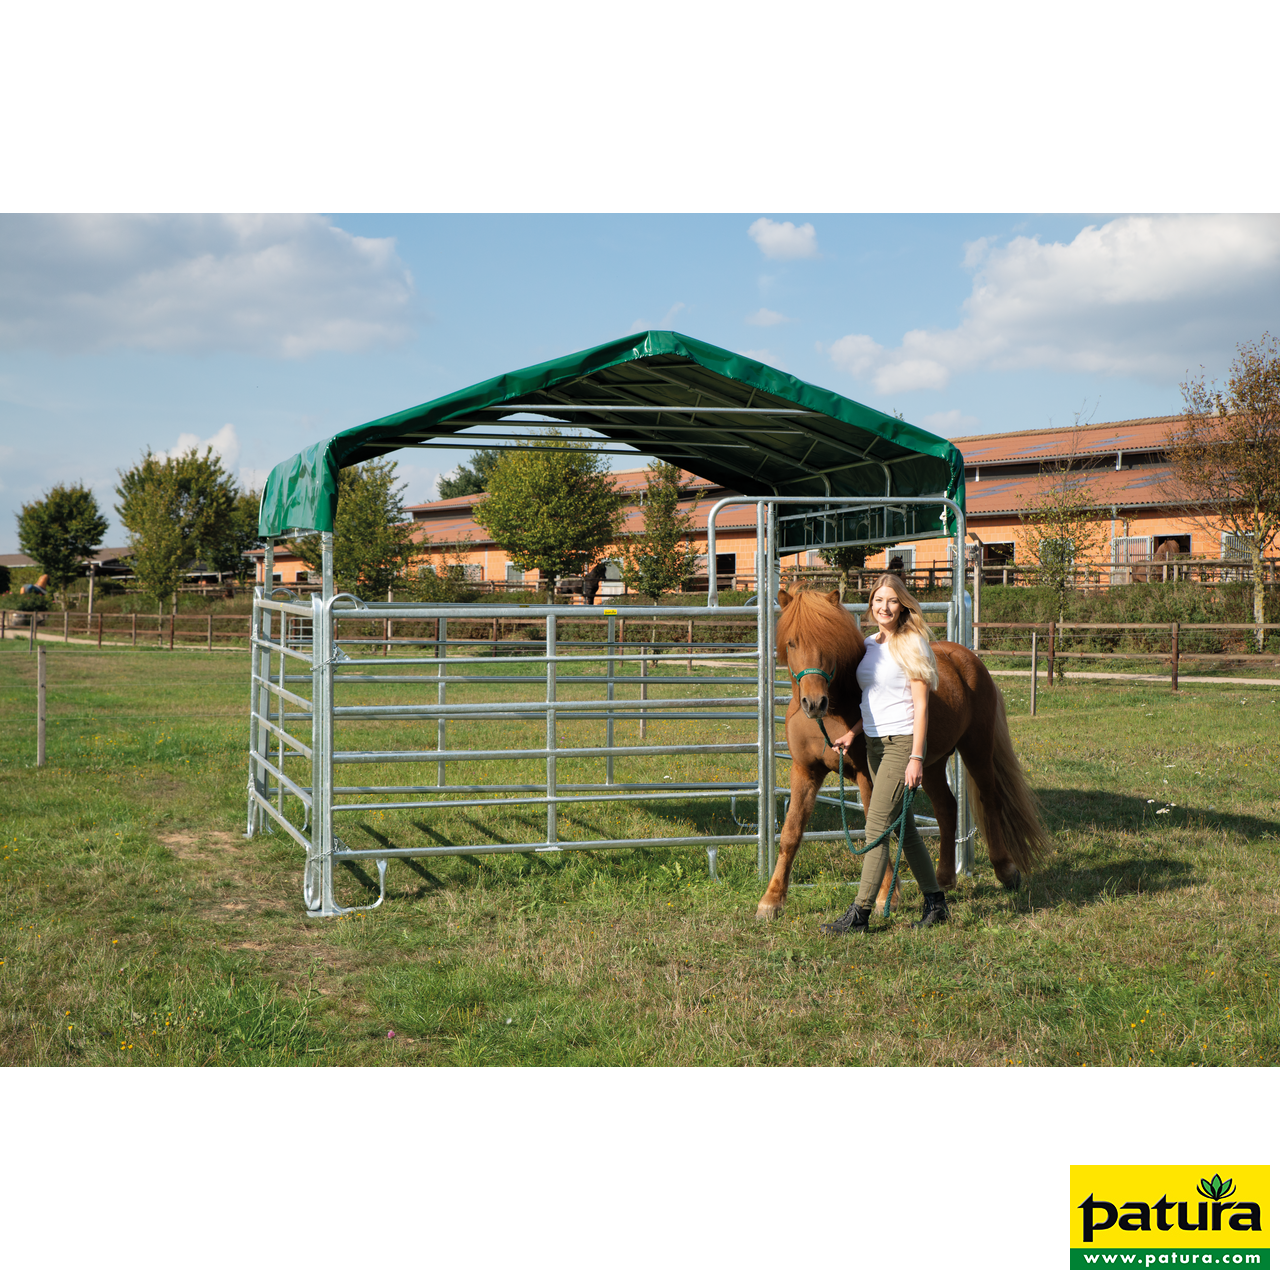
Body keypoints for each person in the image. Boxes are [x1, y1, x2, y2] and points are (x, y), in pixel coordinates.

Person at [823, 573, 950, 933]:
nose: (885, 607)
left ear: (903, 605)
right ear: (871, 605)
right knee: (903, 829)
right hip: (875, 744)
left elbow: (921, 707)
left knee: (876, 827)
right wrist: (852, 733)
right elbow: (874, 699)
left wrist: (917, 758)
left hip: (902, 744)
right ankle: (936, 904)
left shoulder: (913, 644)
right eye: (878, 600)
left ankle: (860, 913)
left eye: (892, 600)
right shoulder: (869, 644)